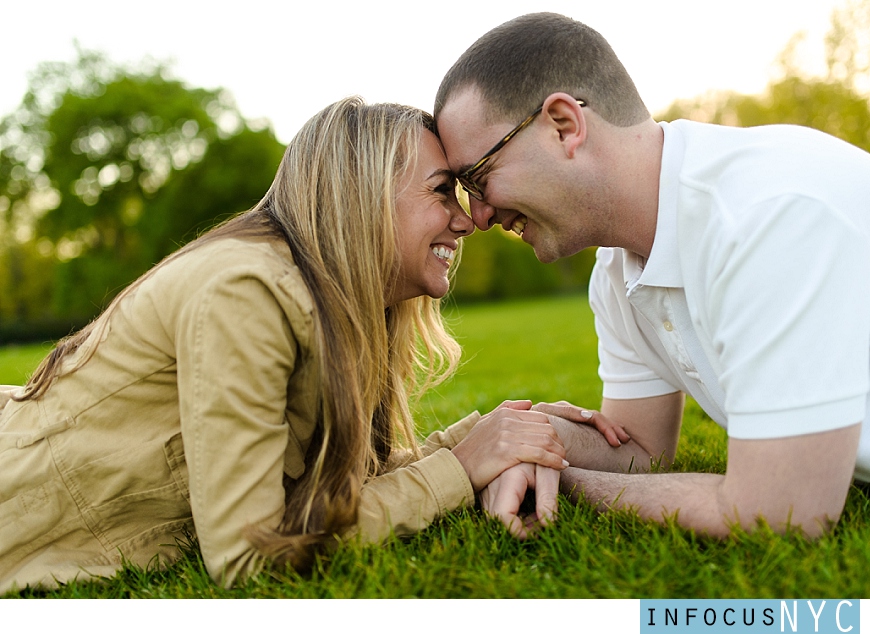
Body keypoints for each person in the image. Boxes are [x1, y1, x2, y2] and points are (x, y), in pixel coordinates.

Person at [0, 96, 576, 594]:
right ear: (363, 196)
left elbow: (335, 491)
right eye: (440, 192)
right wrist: (459, 468)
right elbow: (250, 555)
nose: (467, 220)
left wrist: (485, 439)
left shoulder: (336, 305)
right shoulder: (245, 292)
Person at [433, 12, 870, 539]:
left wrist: (561, 481)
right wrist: (522, 438)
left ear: (564, 124)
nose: (478, 216)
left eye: (479, 177)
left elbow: (782, 511)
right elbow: (638, 448)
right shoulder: (617, 267)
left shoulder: (771, 215)